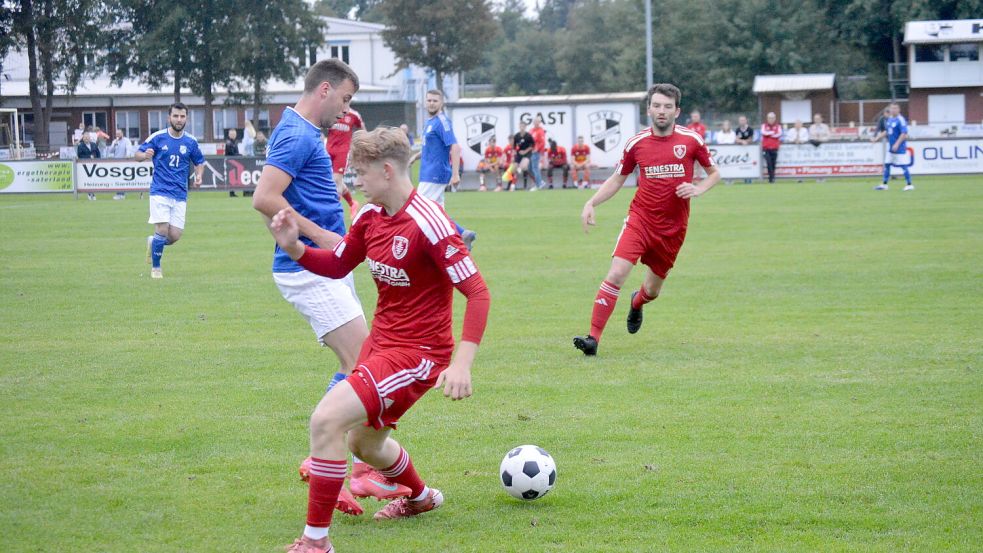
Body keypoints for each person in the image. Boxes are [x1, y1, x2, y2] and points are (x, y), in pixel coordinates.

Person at [270, 126, 491, 553]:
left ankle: (316, 543)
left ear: (387, 171)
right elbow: (338, 264)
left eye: (360, 173)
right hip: (382, 345)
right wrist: (295, 249)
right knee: (363, 442)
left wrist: (462, 363)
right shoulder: (371, 216)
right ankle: (422, 497)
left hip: (418, 355)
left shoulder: (432, 224)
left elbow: (477, 292)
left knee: (326, 421)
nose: (354, 182)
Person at [252, 60, 403, 513]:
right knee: (367, 365)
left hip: (323, 266)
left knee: (365, 362)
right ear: (324, 89)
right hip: (309, 269)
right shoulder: (298, 134)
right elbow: (264, 196)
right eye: (345, 98)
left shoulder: (297, 130)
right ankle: (337, 466)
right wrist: (319, 235)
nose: (345, 110)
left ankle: (350, 471)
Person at [573, 83, 720, 357]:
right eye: (656, 105)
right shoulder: (636, 143)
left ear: (678, 111)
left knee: (652, 290)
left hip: (673, 229)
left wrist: (698, 189)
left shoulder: (691, 141)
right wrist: (591, 202)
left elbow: (714, 173)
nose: (661, 111)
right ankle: (593, 338)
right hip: (640, 220)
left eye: (667, 106)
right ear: (649, 109)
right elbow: (618, 178)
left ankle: (637, 303)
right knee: (616, 273)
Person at [135, 102, 205, 279]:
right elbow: (137, 154)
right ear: (169, 118)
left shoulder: (191, 141)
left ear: (186, 119)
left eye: (182, 116)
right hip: (159, 191)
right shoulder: (158, 137)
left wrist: (199, 175)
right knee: (162, 230)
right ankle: (156, 269)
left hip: (180, 194)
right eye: (176, 116)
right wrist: (144, 156)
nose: (179, 119)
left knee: (174, 236)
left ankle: (153, 243)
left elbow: (199, 161)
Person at [408, 89, 476, 249]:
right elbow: (430, 148)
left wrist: (455, 174)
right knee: (436, 213)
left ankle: (417, 245)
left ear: (441, 103)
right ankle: (462, 235)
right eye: (429, 100)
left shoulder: (442, 122)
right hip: (427, 173)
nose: (431, 103)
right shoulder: (430, 122)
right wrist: (414, 157)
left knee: (417, 208)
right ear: (425, 102)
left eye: (435, 101)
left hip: (435, 174)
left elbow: (455, 148)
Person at [326, 105, 363, 216]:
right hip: (328, 150)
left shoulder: (353, 115)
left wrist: (359, 147)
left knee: (336, 180)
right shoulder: (331, 111)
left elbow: (363, 130)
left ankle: (332, 210)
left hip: (342, 152)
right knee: (336, 181)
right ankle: (352, 204)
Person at [873, 102, 913, 191]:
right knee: (887, 164)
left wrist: (897, 144)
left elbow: (904, 133)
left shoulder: (900, 120)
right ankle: (884, 184)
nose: (893, 110)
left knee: (903, 166)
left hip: (899, 148)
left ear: (899, 110)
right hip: (891, 148)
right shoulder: (890, 119)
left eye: (895, 108)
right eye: (892, 108)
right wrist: (877, 138)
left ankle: (909, 184)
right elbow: (886, 131)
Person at [508, 121, 534, 190]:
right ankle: (513, 184)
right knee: (514, 169)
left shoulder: (529, 136)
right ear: (519, 127)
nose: (522, 128)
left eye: (523, 126)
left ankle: (513, 185)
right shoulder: (516, 136)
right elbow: (514, 147)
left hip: (527, 153)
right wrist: (513, 156)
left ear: (525, 127)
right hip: (519, 154)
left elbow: (532, 146)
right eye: (520, 126)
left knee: (523, 166)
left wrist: (525, 151)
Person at [77, 133, 101, 201]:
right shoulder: (80, 146)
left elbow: (98, 154)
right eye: (85, 138)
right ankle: (90, 194)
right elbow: (80, 155)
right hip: (85, 166)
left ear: (90, 138)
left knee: (93, 180)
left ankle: (92, 193)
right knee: (88, 179)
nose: (87, 139)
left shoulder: (94, 144)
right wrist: (88, 157)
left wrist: (99, 161)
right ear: (83, 138)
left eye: (88, 137)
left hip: (95, 165)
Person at [110, 129, 133, 200]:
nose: (118, 135)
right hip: (116, 162)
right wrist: (114, 144)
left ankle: (122, 194)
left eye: (119, 134)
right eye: (117, 134)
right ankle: (118, 193)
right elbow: (111, 151)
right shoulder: (114, 141)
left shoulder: (126, 141)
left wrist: (127, 155)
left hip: (124, 162)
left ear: (122, 133)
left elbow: (129, 149)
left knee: (123, 178)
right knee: (117, 178)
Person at [760, 112, 782, 183]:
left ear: (775, 118)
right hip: (766, 148)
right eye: (769, 118)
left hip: (774, 148)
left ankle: (772, 178)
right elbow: (763, 133)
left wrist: (769, 133)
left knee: (773, 163)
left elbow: (779, 134)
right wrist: (772, 133)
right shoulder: (764, 125)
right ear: (767, 118)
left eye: (772, 118)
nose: (771, 119)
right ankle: (771, 178)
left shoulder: (778, 126)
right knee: (768, 163)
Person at [529, 115, 547, 190]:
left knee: (535, 168)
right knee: (530, 168)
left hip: (536, 152)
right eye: (534, 121)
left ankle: (538, 184)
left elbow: (542, 142)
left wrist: (537, 149)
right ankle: (540, 181)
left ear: (539, 122)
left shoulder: (540, 131)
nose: (535, 122)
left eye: (537, 121)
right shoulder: (531, 130)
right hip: (530, 152)